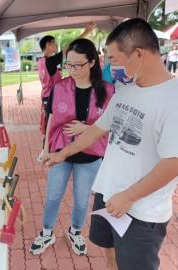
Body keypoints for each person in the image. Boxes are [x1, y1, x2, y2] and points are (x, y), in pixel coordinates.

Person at [44, 18, 178, 270]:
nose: (110, 66)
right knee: (111, 256)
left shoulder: (173, 97)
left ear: (138, 54)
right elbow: (97, 129)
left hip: (140, 210)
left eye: (114, 59)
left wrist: (129, 196)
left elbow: (174, 162)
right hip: (108, 195)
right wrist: (63, 153)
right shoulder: (126, 90)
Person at [29, 38, 115, 256]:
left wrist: (86, 128)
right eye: (69, 64)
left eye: (79, 64)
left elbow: (111, 125)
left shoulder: (108, 90)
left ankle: (75, 231)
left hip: (91, 156)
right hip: (60, 152)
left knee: (82, 200)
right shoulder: (59, 87)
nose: (73, 70)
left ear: (92, 62)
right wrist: (46, 148)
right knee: (53, 195)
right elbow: (51, 119)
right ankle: (47, 232)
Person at [36, 22, 97, 161]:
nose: (56, 46)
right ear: (48, 45)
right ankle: (48, 151)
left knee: (50, 124)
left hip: (46, 96)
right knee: (53, 124)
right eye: (54, 43)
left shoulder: (41, 61)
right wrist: (86, 32)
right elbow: (69, 48)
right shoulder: (49, 62)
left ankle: (52, 149)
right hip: (53, 97)